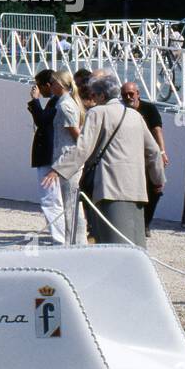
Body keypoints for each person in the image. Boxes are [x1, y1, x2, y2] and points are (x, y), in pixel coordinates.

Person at [43, 71, 165, 248]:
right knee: (136, 246)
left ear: (102, 94)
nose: (91, 98)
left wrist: (58, 169)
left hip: (110, 187)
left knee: (112, 245)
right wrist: (158, 180)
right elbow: (153, 151)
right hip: (137, 189)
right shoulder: (135, 115)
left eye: (94, 94)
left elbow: (83, 148)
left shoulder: (97, 113)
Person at [121, 82, 169, 235]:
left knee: (155, 189)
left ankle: (146, 223)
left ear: (138, 93)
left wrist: (162, 152)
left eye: (131, 94)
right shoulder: (120, 110)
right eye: (125, 95)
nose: (128, 97)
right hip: (127, 156)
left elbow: (157, 130)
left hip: (148, 156)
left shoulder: (149, 109)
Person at [48, 69, 88, 244]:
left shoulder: (65, 105)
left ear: (60, 84)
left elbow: (76, 136)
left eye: (52, 82)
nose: (50, 86)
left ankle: (74, 243)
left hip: (68, 160)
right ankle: (74, 241)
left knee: (71, 205)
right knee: (70, 204)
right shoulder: (64, 103)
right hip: (64, 159)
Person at [27, 70, 64, 243]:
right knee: (53, 199)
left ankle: (60, 237)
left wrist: (35, 101)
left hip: (50, 156)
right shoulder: (55, 101)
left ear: (47, 85)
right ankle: (59, 236)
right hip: (50, 155)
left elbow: (42, 120)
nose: (39, 91)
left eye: (40, 86)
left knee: (50, 199)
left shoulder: (57, 102)